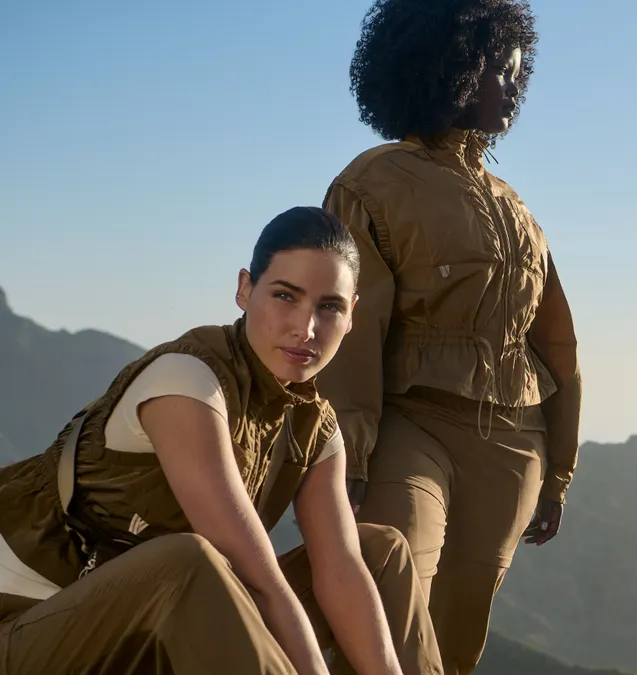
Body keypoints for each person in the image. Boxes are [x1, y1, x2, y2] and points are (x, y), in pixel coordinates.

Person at [0, 207, 444, 675]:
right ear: (244, 290)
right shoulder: (188, 380)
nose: (305, 328)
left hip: (154, 628)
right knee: (188, 561)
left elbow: (340, 573)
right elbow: (259, 582)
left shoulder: (315, 426)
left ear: (352, 314)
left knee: (379, 554)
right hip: (31, 627)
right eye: (284, 296)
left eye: (328, 306)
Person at [318, 1, 582, 672]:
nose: (515, 86)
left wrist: (558, 472)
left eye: (521, 72)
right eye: (501, 69)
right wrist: (347, 456)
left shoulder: (516, 209)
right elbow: (350, 328)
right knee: (389, 583)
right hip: (413, 425)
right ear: (451, 68)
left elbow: (554, 343)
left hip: (514, 446)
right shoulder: (371, 183)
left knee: (457, 630)